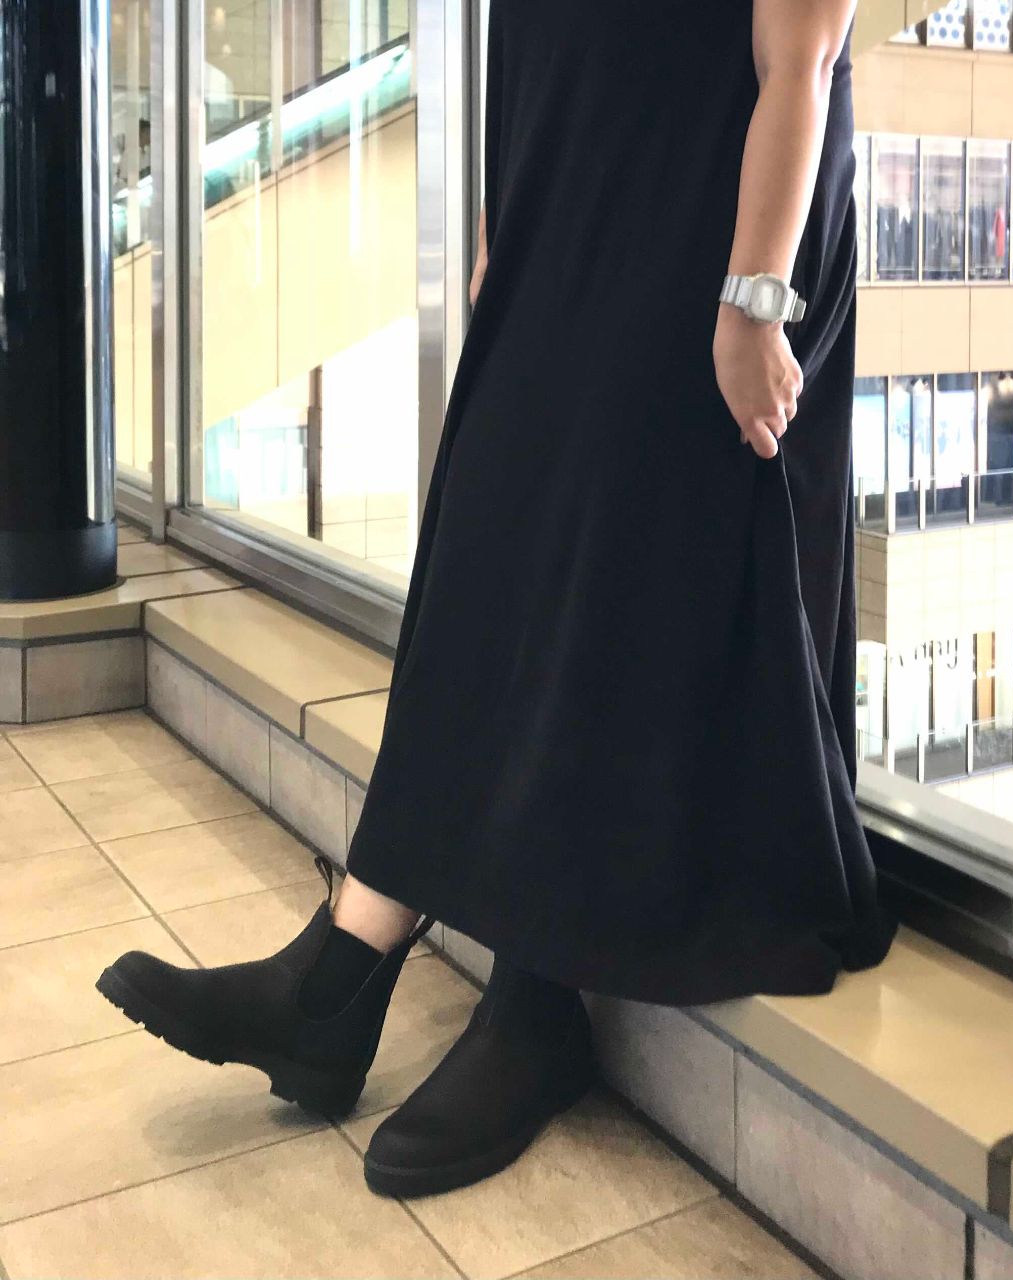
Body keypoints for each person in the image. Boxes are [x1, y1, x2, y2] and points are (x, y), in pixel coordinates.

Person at [97, 0, 897, 1200]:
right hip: (567, 210)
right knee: (483, 527)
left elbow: (803, 57)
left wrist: (753, 296)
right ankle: (343, 966)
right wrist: (503, 215)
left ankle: (530, 1001)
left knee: (611, 559)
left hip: (713, 228)